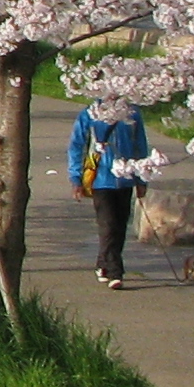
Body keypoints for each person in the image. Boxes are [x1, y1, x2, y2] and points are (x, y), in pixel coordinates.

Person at [69, 96, 154, 287]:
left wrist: (141, 177)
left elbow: (140, 144)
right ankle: (116, 271)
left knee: (120, 226)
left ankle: (103, 263)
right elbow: (76, 145)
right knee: (108, 225)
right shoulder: (90, 114)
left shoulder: (132, 113)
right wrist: (76, 178)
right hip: (100, 178)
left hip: (126, 178)